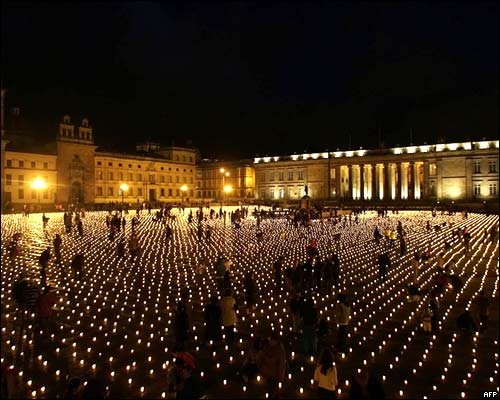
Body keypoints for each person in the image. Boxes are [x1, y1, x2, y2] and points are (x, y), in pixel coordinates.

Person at [259, 331, 286, 399]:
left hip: (274, 375)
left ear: (276, 341)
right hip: (266, 372)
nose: (271, 341)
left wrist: (279, 376)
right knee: (268, 389)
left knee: (273, 390)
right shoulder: (267, 346)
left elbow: (281, 365)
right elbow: (262, 357)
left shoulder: (279, 351)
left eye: (273, 340)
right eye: (270, 340)